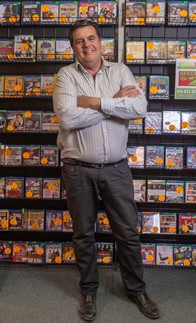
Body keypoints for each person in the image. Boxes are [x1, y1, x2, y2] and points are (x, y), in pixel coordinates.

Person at [53, 19, 160, 321]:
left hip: (116, 169)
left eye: (91, 38)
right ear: (72, 46)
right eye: (79, 41)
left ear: (101, 41)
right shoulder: (65, 76)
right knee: (83, 234)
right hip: (78, 169)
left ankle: (136, 290)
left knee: (127, 232)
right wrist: (113, 104)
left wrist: (95, 103)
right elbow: (68, 118)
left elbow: (140, 109)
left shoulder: (121, 71)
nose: (87, 45)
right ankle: (89, 290)